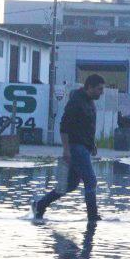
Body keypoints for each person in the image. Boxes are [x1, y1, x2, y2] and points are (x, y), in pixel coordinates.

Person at [32, 74, 105, 221]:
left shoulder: (90, 102)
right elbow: (64, 127)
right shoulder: (76, 102)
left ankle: (40, 204)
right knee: (90, 180)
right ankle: (92, 216)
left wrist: (92, 143)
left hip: (84, 146)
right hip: (76, 147)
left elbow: (87, 126)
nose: (101, 92)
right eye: (99, 89)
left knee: (70, 184)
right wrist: (66, 149)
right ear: (89, 87)